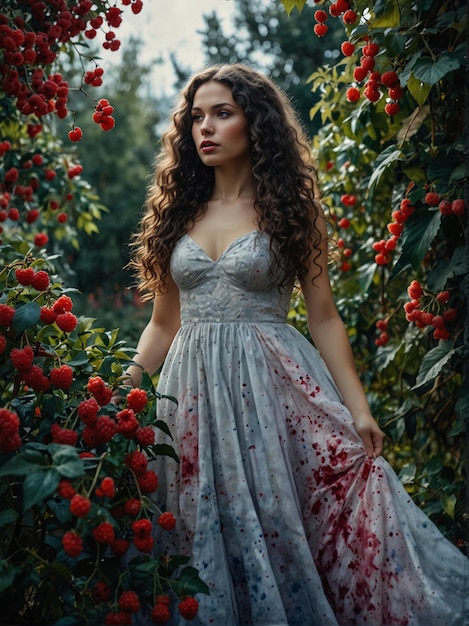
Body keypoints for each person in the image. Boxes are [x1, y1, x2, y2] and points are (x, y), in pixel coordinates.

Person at [124, 64, 468, 625]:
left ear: (255, 125)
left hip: (271, 391)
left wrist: (359, 410)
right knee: (194, 524)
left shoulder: (291, 210)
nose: (204, 128)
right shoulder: (176, 213)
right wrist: (125, 390)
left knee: (280, 523)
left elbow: (324, 316)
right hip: (190, 396)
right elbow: (163, 324)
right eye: (196, 117)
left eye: (222, 114)